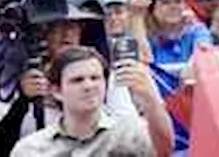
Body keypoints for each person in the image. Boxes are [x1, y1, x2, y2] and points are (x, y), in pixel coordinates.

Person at [9, 46, 156, 157]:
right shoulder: (30, 150)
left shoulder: (133, 135)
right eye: (77, 80)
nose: (88, 86)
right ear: (56, 91)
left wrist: (150, 99)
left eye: (95, 78)